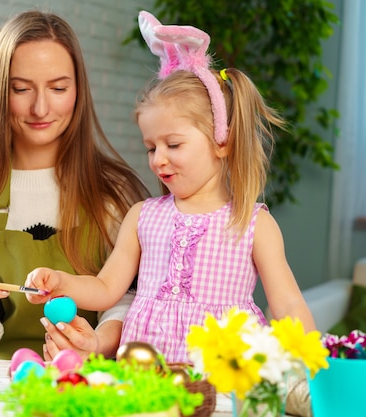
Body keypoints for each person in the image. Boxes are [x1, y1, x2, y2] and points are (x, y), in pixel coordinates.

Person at [24, 11, 316, 364]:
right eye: (151, 147)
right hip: (145, 374)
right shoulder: (142, 216)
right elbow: (104, 289)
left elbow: (286, 305)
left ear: (221, 141)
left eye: (173, 145)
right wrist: (61, 282)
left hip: (222, 374)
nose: (158, 159)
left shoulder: (253, 223)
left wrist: (312, 366)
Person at [0, 10, 150, 360]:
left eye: (58, 87)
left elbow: (129, 299)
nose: (41, 107)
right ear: (0, 92)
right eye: (21, 89)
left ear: (78, 90)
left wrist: (94, 343)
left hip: (92, 381)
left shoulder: (115, 194)